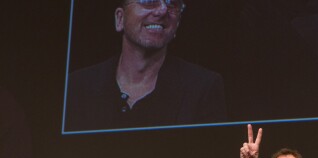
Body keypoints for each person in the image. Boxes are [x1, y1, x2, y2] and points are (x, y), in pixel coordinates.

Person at [65, 0, 226, 132]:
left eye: (172, 4)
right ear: (120, 19)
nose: (163, 10)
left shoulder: (203, 88)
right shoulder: (77, 86)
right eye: (149, 1)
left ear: (177, 25)